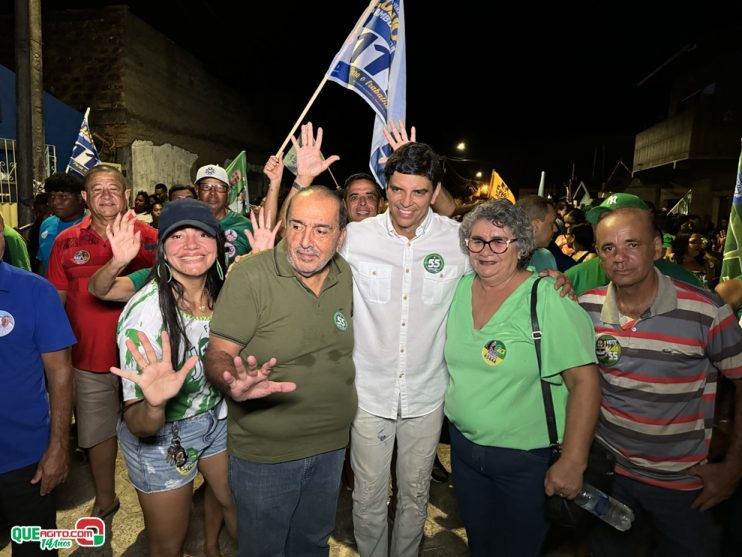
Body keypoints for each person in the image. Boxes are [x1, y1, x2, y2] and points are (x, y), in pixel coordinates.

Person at [578, 207, 742, 556]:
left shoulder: (706, 312)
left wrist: (732, 467)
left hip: (685, 487)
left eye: (631, 244)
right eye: (608, 248)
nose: (619, 258)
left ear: (657, 248)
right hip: (610, 478)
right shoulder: (585, 309)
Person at [204, 185, 355, 557]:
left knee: (313, 544)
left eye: (321, 230)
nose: (306, 241)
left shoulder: (344, 275)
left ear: (341, 236)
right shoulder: (251, 276)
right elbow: (217, 355)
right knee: (263, 550)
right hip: (267, 455)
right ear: (284, 225)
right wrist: (232, 383)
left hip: (331, 447)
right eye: (297, 226)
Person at [443, 200, 600, 556]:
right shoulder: (459, 289)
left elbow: (585, 383)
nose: (487, 250)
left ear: (522, 246)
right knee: (481, 546)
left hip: (526, 464)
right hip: (465, 454)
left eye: (499, 241)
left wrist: (574, 461)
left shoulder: (547, 298)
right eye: (477, 241)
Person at [111, 199, 237, 557]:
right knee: (169, 544)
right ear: (162, 249)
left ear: (217, 242)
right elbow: (140, 425)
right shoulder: (146, 315)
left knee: (231, 497)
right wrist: (155, 403)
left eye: (202, 234)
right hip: (164, 436)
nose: (192, 245)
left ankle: (212, 546)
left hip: (217, 418)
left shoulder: (222, 291)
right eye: (177, 236)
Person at [47, 165, 157, 521]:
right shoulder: (66, 241)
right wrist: (56, 356)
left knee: (156, 429)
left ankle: (164, 496)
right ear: (85, 198)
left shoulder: (154, 238)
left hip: (147, 359)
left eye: (114, 188)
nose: (107, 195)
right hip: (89, 359)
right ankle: (106, 498)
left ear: (127, 195)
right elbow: (57, 303)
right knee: (97, 433)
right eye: (97, 190)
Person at [0, 213, 76, 557]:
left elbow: (60, 372)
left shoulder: (35, 291)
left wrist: (59, 447)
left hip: (26, 460)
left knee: (34, 550)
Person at [195, 164, 253, 265]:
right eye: (206, 187)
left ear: (228, 191)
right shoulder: (184, 225)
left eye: (220, 187)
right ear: (197, 190)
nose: (213, 192)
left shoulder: (245, 226)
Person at [37, 172, 87, 276]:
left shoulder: (92, 227)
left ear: (80, 198)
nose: (55, 202)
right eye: (52, 196)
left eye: (63, 196)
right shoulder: (47, 224)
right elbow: (43, 263)